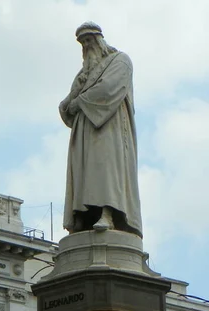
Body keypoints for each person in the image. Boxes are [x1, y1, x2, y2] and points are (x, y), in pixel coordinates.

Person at [59, 22, 143, 238]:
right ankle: (84, 216)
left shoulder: (120, 61)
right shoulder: (84, 74)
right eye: (83, 43)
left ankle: (108, 213)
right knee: (84, 172)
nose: (87, 46)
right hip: (84, 132)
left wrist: (80, 101)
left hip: (109, 127)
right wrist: (71, 98)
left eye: (89, 40)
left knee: (106, 170)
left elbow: (108, 89)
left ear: (99, 39)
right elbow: (68, 106)